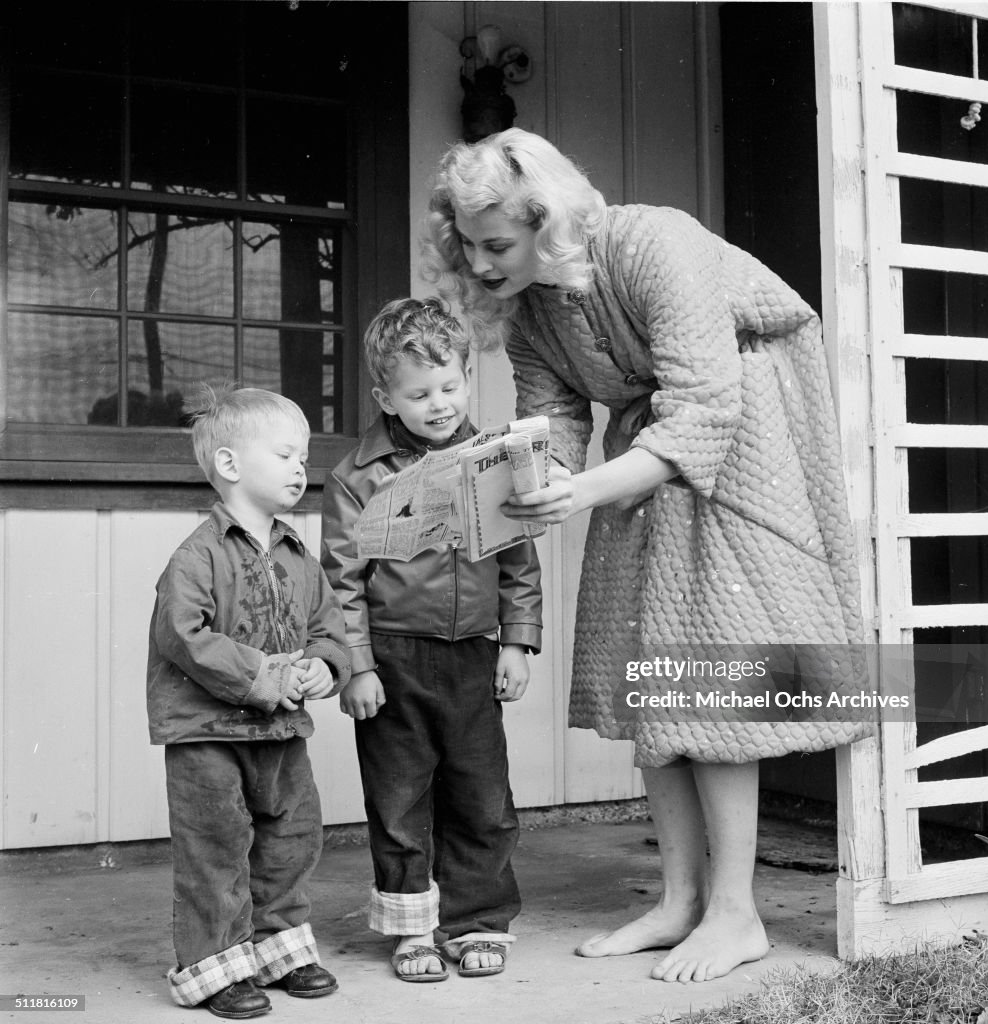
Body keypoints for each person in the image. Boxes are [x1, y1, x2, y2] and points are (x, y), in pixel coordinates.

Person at [421, 128, 872, 984]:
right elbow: (552, 424)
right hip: (645, 450)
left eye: (497, 244)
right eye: (469, 248)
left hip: (743, 427)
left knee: (715, 669)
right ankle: (679, 900)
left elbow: (705, 402)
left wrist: (582, 491)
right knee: (648, 657)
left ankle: (736, 915)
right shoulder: (531, 313)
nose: (480, 265)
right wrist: (519, 483)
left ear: (545, 220)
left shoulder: (650, 239)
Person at [320, 297, 543, 983]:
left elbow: (518, 563)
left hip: (473, 651)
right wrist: (356, 666)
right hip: (393, 659)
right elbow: (342, 582)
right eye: (419, 393)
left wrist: (516, 642)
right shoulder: (358, 476)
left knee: (481, 796)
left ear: (467, 380)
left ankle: (476, 920)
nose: (439, 403)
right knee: (399, 798)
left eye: (450, 386)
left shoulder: (495, 460)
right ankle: (412, 926)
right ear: (386, 395)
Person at [147, 385, 351, 1019]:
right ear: (231, 466)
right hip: (207, 733)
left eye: (305, 456)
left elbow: (328, 627)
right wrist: (263, 675)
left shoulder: (297, 555)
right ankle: (214, 965)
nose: (301, 468)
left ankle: (278, 947)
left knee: (291, 837)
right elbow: (184, 636)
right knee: (217, 845)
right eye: (287, 455)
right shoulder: (197, 555)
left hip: (281, 734)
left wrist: (325, 666)